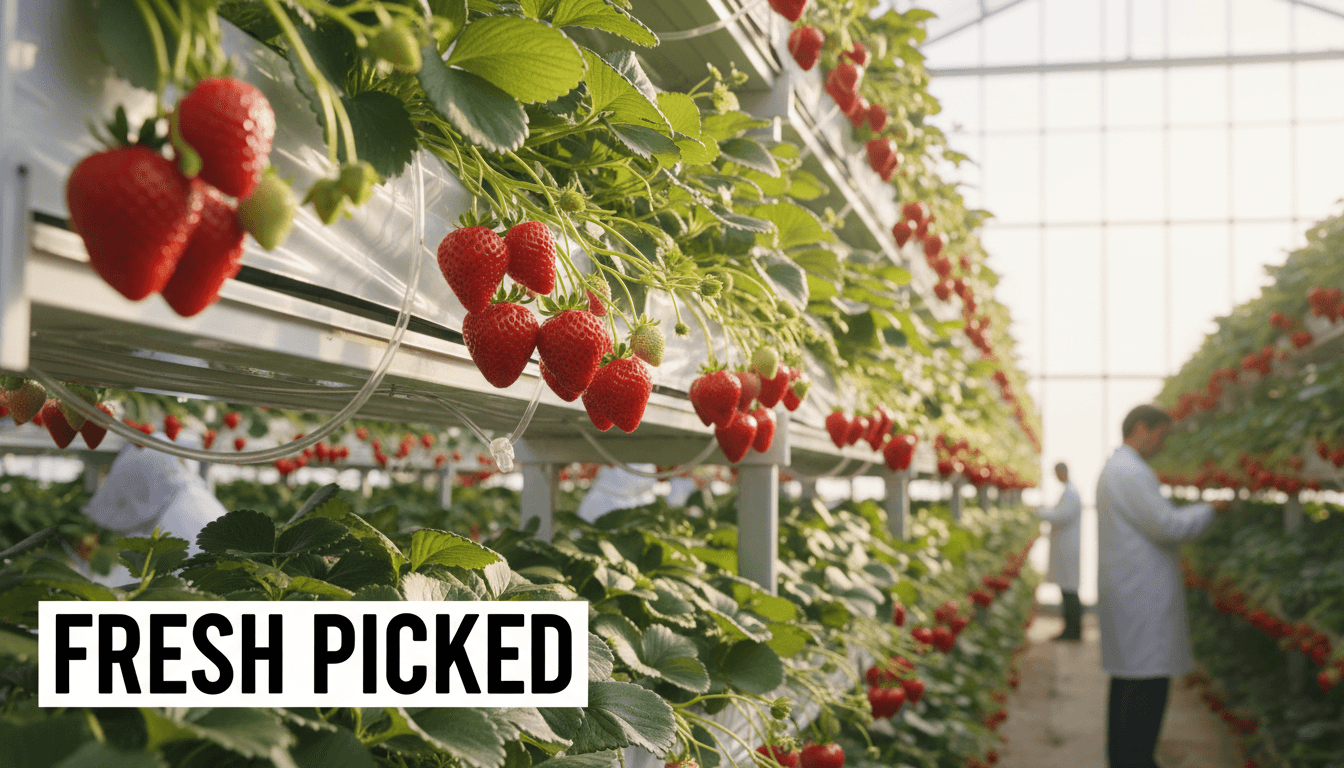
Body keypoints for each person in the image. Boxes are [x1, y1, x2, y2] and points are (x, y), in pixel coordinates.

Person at [1097, 404, 1226, 768]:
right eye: (1162, 435)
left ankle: (1125, 758)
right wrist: (1210, 509)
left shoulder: (1120, 468)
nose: (1162, 444)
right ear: (1142, 427)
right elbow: (1169, 526)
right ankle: (1135, 760)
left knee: (1128, 682)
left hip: (1132, 592)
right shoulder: (1129, 472)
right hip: (1140, 597)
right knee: (1145, 687)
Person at [1038, 461, 1082, 641]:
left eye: (1057, 473)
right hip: (1065, 547)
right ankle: (1070, 629)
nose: (1056, 477)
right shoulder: (1069, 492)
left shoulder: (1071, 493)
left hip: (1068, 549)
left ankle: (1072, 631)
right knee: (1067, 590)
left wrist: (1039, 512)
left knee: (1069, 591)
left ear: (1063, 472)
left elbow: (1062, 515)